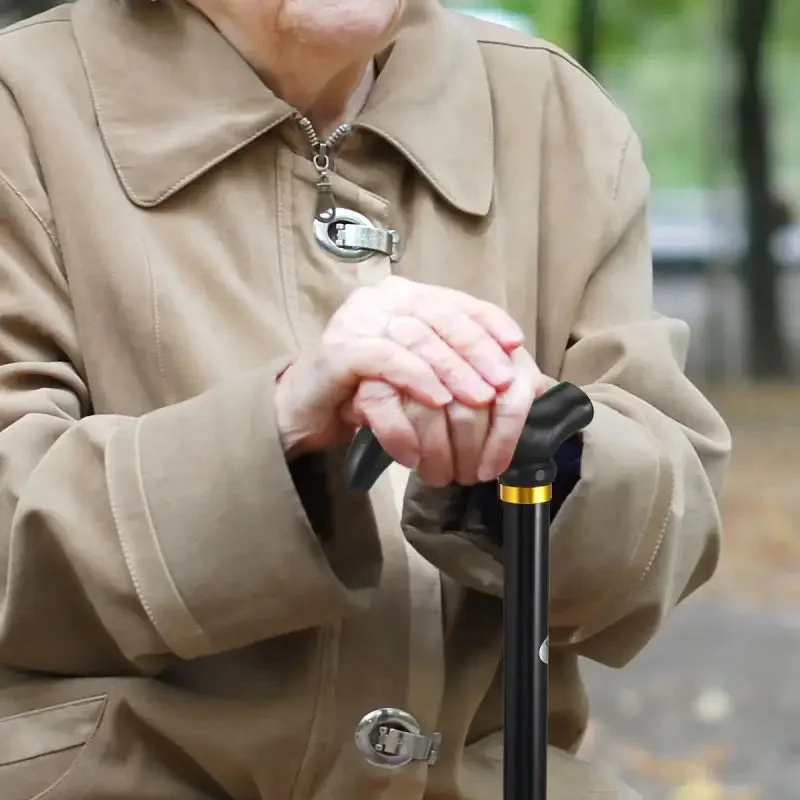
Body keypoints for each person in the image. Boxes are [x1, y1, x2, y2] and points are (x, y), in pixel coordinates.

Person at [0, 0, 730, 796]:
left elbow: (673, 520)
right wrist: (277, 432)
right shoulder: (22, 112)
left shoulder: (554, 115)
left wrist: (537, 459)